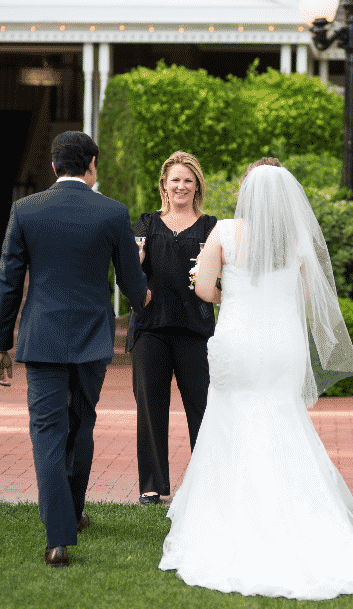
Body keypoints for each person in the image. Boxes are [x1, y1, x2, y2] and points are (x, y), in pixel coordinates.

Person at [158, 158, 353, 599]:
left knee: (230, 421)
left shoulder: (224, 231)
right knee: (283, 422)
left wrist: (236, 293)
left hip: (239, 345)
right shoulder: (296, 240)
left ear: (247, 195)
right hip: (281, 348)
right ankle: (297, 514)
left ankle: (229, 518)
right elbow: (306, 294)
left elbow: (205, 289)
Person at [0, 131, 149, 568]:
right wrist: (146, 299)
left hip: (41, 337)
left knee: (46, 432)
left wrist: (0, 344)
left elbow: (9, 281)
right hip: (93, 339)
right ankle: (73, 514)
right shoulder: (113, 212)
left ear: (55, 166)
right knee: (81, 424)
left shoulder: (26, 209)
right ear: (92, 163)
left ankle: (58, 537)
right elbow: (132, 282)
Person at [127, 151, 217, 506]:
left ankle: (207, 480)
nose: (181, 186)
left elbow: (224, 274)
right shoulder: (145, 224)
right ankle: (152, 485)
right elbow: (129, 271)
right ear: (164, 185)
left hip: (196, 329)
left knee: (203, 408)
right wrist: (137, 276)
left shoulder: (211, 227)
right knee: (150, 408)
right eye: (174, 180)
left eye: (188, 180)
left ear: (197, 187)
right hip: (151, 329)